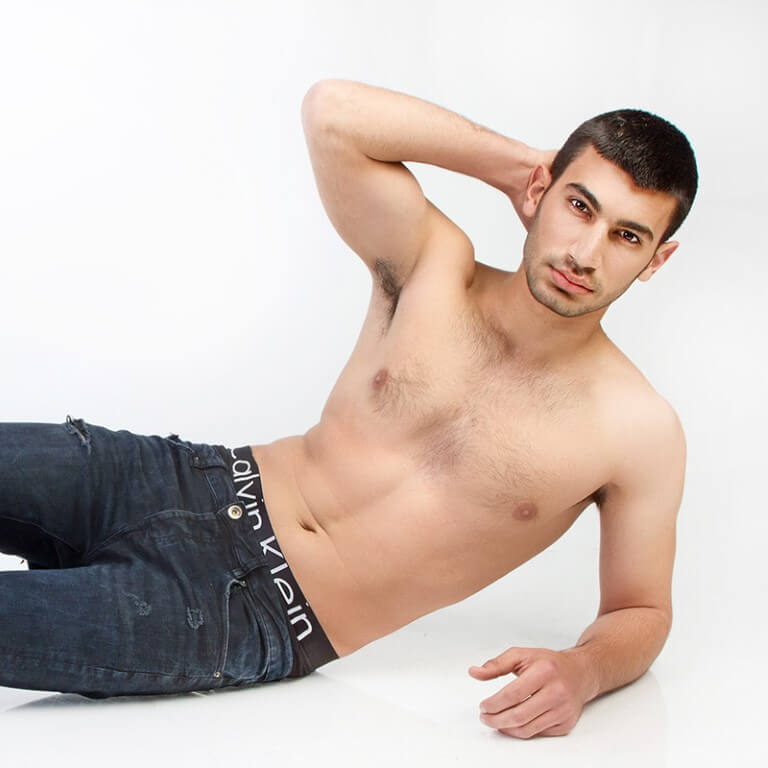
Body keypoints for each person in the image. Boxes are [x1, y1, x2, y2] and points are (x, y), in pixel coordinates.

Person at [0, 78, 697, 740]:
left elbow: (641, 609)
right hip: (176, 477)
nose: (585, 252)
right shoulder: (435, 265)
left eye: (627, 236)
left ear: (657, 261)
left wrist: (583, 670)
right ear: (543, 193)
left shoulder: (637, 430)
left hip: (242, 612)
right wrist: (517, 167)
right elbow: (333, 113)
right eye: (580, 206)